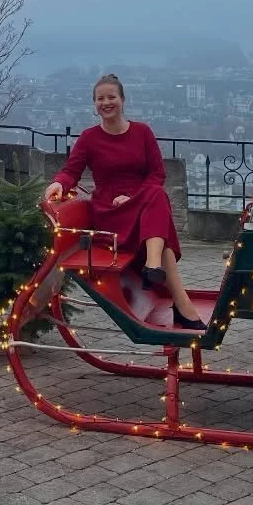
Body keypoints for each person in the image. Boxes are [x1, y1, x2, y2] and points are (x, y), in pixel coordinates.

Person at [42, 74, 206, 330]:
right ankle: (174, 296)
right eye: (100, 98)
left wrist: (132, 198)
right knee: (158, 210)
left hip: (140, 207)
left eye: (111, 97)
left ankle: (158, 274)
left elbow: (157, 174)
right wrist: (59, 184)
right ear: (94, 104)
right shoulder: (89, 138)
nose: (106, 102)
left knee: (155, 195)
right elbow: (71, 171)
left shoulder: (142, 132)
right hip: (110, 213)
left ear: (122, 100)